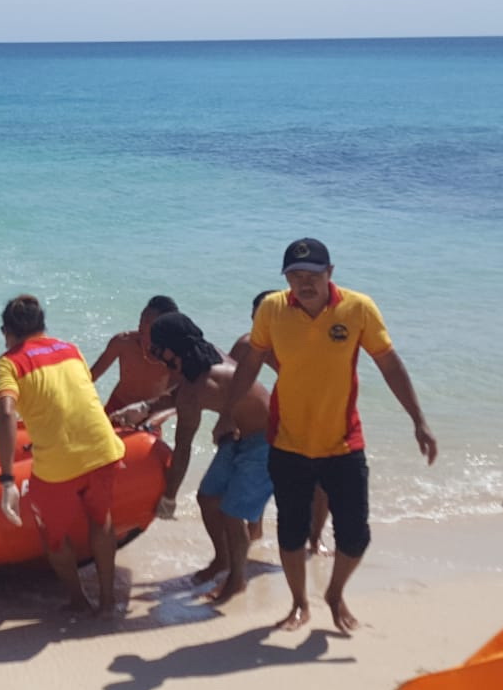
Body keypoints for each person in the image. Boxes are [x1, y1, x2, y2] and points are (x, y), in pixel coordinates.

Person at [222, 238, 437, 633]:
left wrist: (418, 420)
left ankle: (334, 593)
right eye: (295, 275)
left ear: (330, 273)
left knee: (355, 536)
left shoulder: (357, 308)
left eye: (313, 275)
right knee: (291, 531)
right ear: (286, 278)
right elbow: (250, 363)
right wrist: (227, 413)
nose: (304, 283)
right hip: (287, 442)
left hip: (343, 442)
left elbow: (388, 363)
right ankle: (299, 603)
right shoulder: (272, 309)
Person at [0, 294, 126, 615]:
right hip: (104, 449)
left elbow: (7, 413)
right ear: (43, 325)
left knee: (52, 535)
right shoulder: (70, 349)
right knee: (101, 520)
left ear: (5, 331)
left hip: (58, 467)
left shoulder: (7, 364)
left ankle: (78, 602)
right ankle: (108, 603)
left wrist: (8, 479)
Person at [150, 312, 274, 603]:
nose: (155, 357)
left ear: (173, 349)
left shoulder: (195, 391)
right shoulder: (209, 356)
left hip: (268, 441)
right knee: (208, 498)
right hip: (239, 435)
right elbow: (178, 394)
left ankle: (237, 580)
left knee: (232, 513)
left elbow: (183, 448)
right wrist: (146, 407)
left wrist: (169, 498)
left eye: (157, 350)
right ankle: (223, 559)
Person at [231, 290, 330, 554]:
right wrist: (233, 420)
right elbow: (231, 384)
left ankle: (315, 539)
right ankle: (255, 532)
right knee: (261, 468)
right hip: (280, 411)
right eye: (259, 317)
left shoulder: (306, 339)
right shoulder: (247, 344)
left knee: (321, 480)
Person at [89, 295, 179, 422]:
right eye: (141, 318)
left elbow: (179, 399)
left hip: (148, 414)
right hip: (116, 408)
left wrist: (153, 420)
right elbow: (91, 377)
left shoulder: (174, 357)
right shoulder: (123, 342)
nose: (141, 324)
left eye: (148, 321)